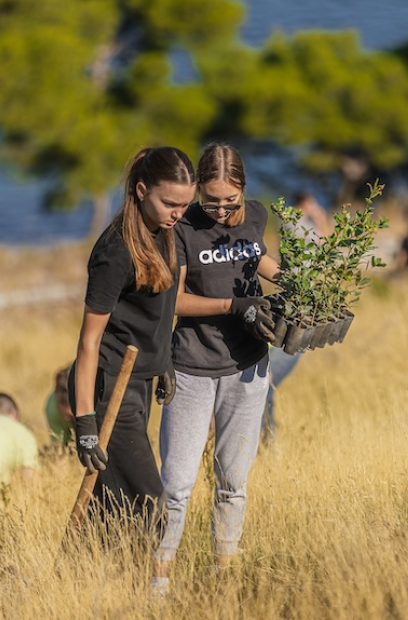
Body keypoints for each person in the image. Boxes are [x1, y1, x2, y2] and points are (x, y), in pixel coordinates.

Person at [152, 143, 279, 594]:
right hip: (192, 367)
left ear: (245, 189)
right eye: (212, 202)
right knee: (177, 484)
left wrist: (284, 277)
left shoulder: (257, 214)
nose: (223, 211)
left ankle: (224, 575)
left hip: (248, 368)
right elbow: (175, 300)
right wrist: (233, 306)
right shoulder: (182, 227)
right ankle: (158, 582)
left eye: (232, 201)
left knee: (232, 481)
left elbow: (253, 255)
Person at [68, 146, 196, 539]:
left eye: (185, 204)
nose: (179, 213)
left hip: (138, 383)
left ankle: (89, 586)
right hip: (108, 390)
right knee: (151, 505)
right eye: (170, 203)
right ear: (141, 190)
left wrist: (164, 361)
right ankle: (151, 593)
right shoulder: (115, 252)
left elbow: (161, 311)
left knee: (113, 512)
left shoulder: (165, 235)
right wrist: (86, 423)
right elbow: (89, 343)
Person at [261, 191, 329, 444]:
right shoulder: (290, 220)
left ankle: (268, 440)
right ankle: (267, 440)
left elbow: (327, 246)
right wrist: (317, 217)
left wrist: (319, 218)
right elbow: (323, 244)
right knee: (265, 385)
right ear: (304, 202)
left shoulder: (304, 222)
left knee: (265, 386)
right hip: (295, 293)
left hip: (304, 296)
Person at [44, 364, 74, 447]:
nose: (66, 419)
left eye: (71, 416)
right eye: (63, 414)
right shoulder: (52, 408)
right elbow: (59, 446)